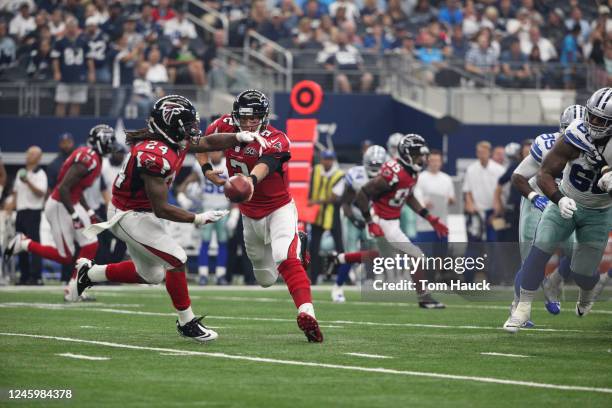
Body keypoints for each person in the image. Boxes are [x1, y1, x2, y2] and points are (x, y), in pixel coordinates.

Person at [73, 95, 268, 342]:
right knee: (177, 259)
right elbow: (162, 208)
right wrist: (197, 218)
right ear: (169, 124)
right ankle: (186, 322)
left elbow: (206, 142)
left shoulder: (171, 139)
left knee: (151, 275)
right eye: (187, 125)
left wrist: (238, 137)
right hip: (128, 214)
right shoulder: (152, 155)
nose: (192, 130)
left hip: (141, 211)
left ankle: (89, 274)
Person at [200, 89, 324, 342]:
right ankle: (299, 243)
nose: (247, 123)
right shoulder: (224, 124)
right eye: (243, 118)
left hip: (278, 208)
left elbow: (265, 165)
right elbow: (200, 143)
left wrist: (249, 181)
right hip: (249, 215)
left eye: (253, 118)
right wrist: (206, 169)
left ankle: (307, 312)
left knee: (284, 257)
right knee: (265, 279)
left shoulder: (278, 139)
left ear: (264, 117)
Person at [504, 88, 612, 333]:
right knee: (538, 249)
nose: (593, 123)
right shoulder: (574, 134)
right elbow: (544, 174)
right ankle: (521, 309)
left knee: (583, 273)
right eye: (591, 116)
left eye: (601, 120)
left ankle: (586, 295)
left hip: (599, 211)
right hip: (566, 200)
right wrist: (558, 198)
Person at [4, 125, 116, 301]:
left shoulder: (94, 158)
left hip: (71, 202)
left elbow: (76, 189)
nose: (111, 145)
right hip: (59, 204)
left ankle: (74, 288)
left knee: (91, 243)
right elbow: (63, 187)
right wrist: (74, 215)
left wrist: (88, 210)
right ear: (98, 141)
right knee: (66, 257)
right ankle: (24, 243)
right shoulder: (88, 158)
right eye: (108, 141)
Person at [509, 105, 585, 324]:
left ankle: (552, 283)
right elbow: (518, 177)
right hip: (539, 202)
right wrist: (535, 197)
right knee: (530, 260)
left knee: (575, 254)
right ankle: (518, 308)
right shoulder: (547, 144)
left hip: (567, 203)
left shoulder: (594, 148)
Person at [354, 134, 448, 309]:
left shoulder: (413, 172)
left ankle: (337, 259)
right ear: (408, 154)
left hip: (392, 221)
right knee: (415, 256)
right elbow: (362, 194)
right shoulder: (393, 173)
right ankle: (424, 298)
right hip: (381, 219)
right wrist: (370, 222)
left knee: (396, 257)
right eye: (418, 154)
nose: (422, 158)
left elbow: (408, 196)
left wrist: (430, 218)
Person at [328, 144, 387, 303]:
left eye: (378, 165)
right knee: (350, 254)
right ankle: (338, 287)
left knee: (376, 253)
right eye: (372, 164)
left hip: (373, 219)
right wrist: (355, 220)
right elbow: (345, 202)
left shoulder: (388, 177)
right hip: (353, 218)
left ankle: (370, 282)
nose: (374, 168)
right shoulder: (356, 174)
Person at [177, 150, 230, 285]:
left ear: (222, 153)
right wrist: (181, 197)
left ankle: (220, 275)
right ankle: (203, 275)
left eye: (217, 151)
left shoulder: (229, 165)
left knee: (222, 242)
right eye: (212, 151)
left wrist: (235, 212)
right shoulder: (202, 165)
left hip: (224, 208)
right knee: (205, 242)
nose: (214, 154)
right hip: (206, 208)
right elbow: (184, 184)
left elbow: (237, 188)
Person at [3, 146, 47, 285]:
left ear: (39, 158)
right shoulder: (20, 173)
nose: (29, 156)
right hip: (21, 212)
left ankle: (36, 276)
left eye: (33, 154)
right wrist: (10, 206)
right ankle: (24, 275)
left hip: (33, 212)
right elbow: (16, 192)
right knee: (20, 245)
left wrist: (28, 182)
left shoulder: (40, 173)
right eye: (28, 153)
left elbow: (41, 193)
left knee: (33, 246)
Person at [308, 150, 345, 285]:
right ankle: (313, 277)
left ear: (333, 160)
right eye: (325, 159)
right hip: (317, 214)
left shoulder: (339, 175)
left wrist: (315, 202)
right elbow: (310, 187)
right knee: (314, 247)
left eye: (329, 159)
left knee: (340, 247)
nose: (326, 161)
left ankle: (343, 277)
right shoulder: (316, 170)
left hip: (332, 213)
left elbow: (335, 198)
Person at [51, 17, 95, 117]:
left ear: (77, 28)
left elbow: (89, 59)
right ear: (66, 28)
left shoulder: (84, 42)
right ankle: (59, 125)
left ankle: (72, 125)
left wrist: (91, 73)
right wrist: (56, 72)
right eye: (69, 27)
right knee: (61, 102)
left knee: (76, 104)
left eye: (73, 27)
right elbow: (55, 59)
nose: (71, 29)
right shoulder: (59, 42)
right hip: (64, 77)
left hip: (80, 76)